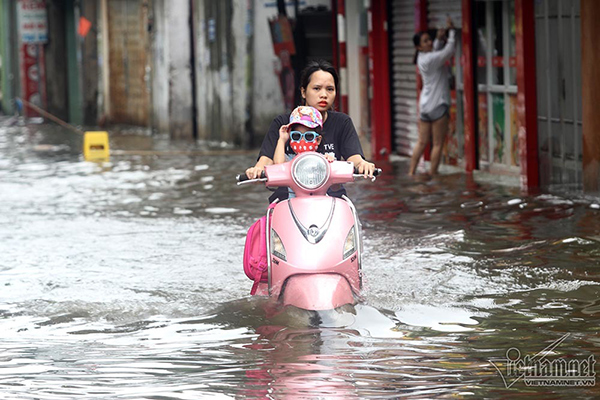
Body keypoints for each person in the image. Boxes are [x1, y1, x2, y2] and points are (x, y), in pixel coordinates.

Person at [246, 59, 376, 202]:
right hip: (287, 201)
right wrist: (257, 169)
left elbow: (355, 158)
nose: (324, 95)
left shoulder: (342, 123)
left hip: (332, 200)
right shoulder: (283, 124)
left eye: (330, 89)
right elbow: (267, 160)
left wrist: (363, 165)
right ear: (303, 91)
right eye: (316, 88)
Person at [409, 17, 456, 176]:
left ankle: (411, 173)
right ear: (419, 47)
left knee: (422, 142)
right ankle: (433, 175)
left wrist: (438, 38)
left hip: (425, 106)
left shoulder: (422, 58)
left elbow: (435, 52)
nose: (429, 43)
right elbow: (448, 51)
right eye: (425, 41)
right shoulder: (431, 59)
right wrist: (451, 33)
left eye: (429, 40)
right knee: (437, 144)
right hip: (438, 105)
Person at [274, 105, 336, 198]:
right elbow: (278, 165)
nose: (302, 141)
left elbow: (336, 182)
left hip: (321, 203)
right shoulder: (289, 161)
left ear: (318, 140)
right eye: (296, 136)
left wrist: (330, 163)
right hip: (293, 205)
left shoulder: (324, 160)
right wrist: (282, 139)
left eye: (309, 136)